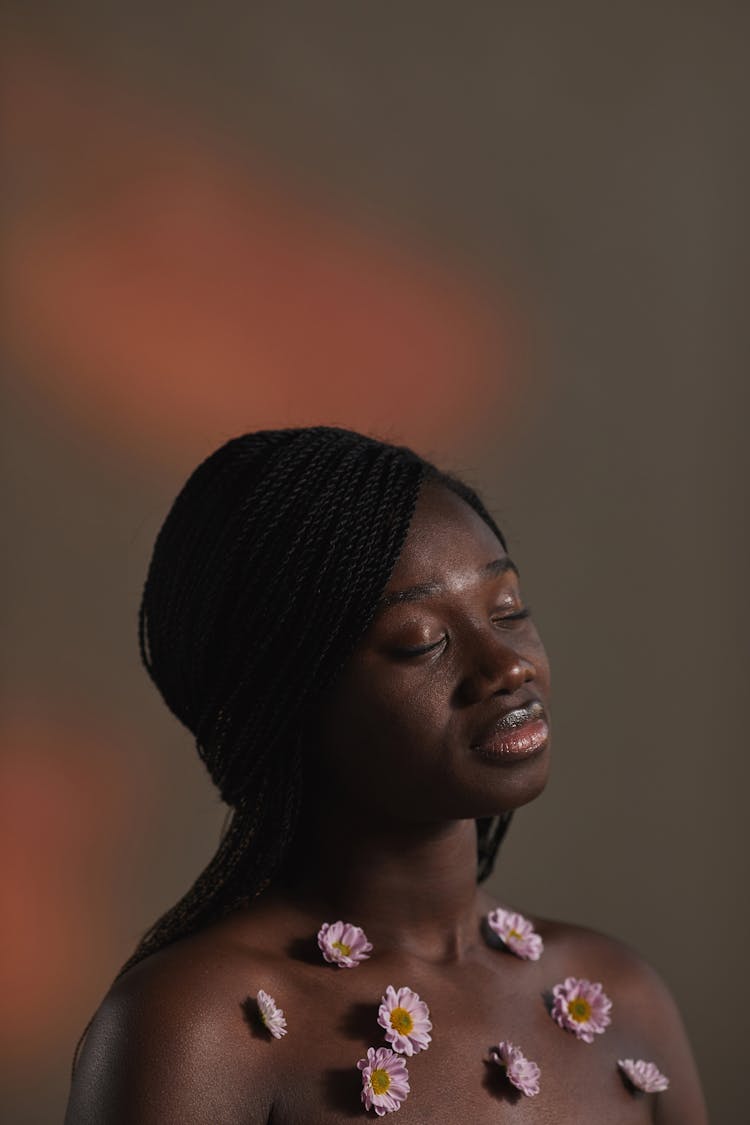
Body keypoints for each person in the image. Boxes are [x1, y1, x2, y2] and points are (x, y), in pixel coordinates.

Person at [65, 426, 708, 1123]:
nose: (508, 665)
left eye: (509, 609)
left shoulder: (619, 993)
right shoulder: (197, 1029)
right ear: (285, 701)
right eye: (420, 642)